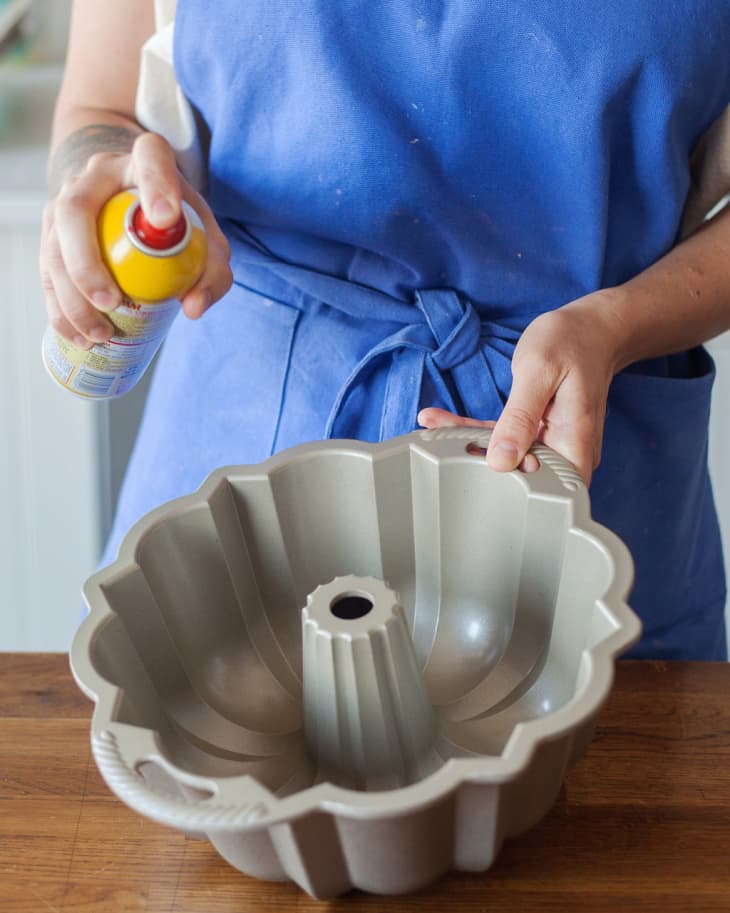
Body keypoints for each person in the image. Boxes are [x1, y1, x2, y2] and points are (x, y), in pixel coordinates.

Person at [42, 1, 730, 660]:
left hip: (583, 445)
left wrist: (615, 325)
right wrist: (103, 174)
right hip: (247, 436)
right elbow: (100, 110)